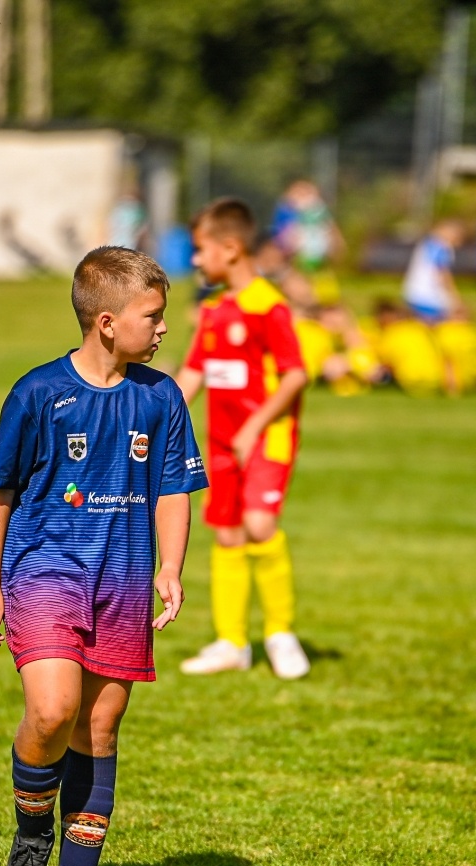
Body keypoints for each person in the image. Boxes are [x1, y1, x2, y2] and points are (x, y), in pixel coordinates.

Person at [0, 246, 208, 866]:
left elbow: (172, 487)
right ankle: (31, 839)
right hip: (45, 569)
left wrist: (170, 566)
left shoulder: (160, 396)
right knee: (53, 711)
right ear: (107, 322)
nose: (164, 329)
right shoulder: (39, 393)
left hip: (124, 578)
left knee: (98, 725)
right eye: (153, 316)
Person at [178, 198, 311, 680]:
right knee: (228, 533)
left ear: (230, 248)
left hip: (267, 437)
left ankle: (280, 632)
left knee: (259, 523)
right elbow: (193, 372)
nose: (195, 260)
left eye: (200, 250)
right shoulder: (213, 311)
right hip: (221, 442)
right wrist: (154, 414)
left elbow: (296, 375)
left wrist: (255, 426)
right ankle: (232, 641)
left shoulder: (267, 307)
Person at [401, 220, 464, 324]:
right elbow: (443, 275)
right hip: (430, 298)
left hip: (413, 294)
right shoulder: (441, 248)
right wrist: (455, 299)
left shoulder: (427, 243)